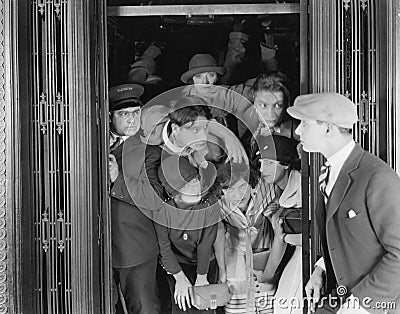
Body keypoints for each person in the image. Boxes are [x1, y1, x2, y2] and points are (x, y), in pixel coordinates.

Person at [287, 92, 400, 314]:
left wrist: (359, 306)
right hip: (339, 296)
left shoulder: (377, 177)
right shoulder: (329, 170)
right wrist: (320, 268)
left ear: (327, 128)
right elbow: (340, 232)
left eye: (304, 123)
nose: (298, 131)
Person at [108, 83, 165, 314]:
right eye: (123, 114)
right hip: (93, 247)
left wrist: (117, 180)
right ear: (110, 115)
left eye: (136, 113)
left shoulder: (150, 151)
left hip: (134, 247)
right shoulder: (89, 141)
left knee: (144, 309)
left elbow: (155, 198)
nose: (131, 119)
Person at [153, 154, 220, 314]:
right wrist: (180, 278)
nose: (195, 186)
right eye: (187, 184)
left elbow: (206, 244)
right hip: (177, 265)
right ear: (174, 190)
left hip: (205, 264)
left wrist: (202, 278)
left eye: (196, 180)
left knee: (205, 307)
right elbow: (164, 249)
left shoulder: (209, 204)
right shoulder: (163, 212)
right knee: (182, 304)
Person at [253, 135, 302, 314]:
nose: (263, 169)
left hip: (308, 257)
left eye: (269, 163)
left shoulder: (302, 191)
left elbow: (282, 239)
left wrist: (266, 276)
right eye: (261, 163)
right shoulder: (280, 192)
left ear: (286, 163)